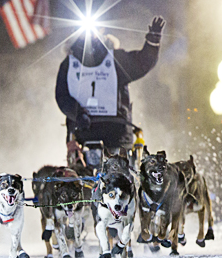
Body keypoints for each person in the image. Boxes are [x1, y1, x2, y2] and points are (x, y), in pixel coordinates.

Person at [55, 16, 165, 155]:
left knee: (119, 172)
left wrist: (152, 42)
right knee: (81, 174)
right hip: (83, 136)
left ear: (100, 30)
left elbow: (142, 63)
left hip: (117, 136)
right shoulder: (68, 65)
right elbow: (62, 97)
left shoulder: (115, 60)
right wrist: (78, 113)